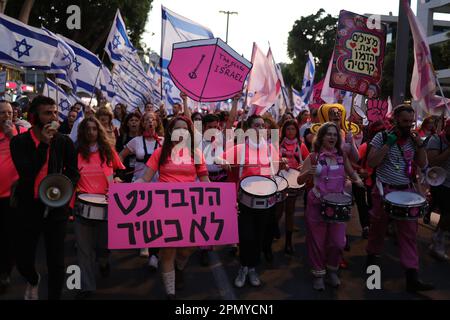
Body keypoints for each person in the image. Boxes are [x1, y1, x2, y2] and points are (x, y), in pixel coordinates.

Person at [10, 95, 79, 300]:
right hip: (28, 207)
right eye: (47, 113)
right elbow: (27, 172)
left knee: (56, 261)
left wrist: (66, 190)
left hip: (56, 208)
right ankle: (33, 279)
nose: (54, 117)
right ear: (34, 117)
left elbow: (74, 172)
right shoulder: (19, 142)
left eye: (55, 112)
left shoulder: (64, 141)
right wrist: (44, 145)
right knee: (23, 259)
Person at [136, 116, 210, 300]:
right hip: (164, 208)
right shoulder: (160, 153)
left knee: (187, 248)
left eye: (185, 128)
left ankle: (180, 266)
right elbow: (145, 179)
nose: (181, 131)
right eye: (178, 128)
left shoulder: (196, 154)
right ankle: (170, 293)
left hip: (189, 208)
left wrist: (222, 199)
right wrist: (125, 189)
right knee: (167, 250)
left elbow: (205, 181)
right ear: (170, 132)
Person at [366, 104, 434, 293]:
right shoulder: (382, 137)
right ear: (395, 120)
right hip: (384, 191)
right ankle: (372, 267)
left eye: (411, 123)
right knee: (377, 230)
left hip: (406, 192)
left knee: (409, 235)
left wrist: (420, 145)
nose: (408, 126)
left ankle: (412, 278)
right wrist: (389, 144)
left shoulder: (414, 140)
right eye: (404, 122)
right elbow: (371, 162)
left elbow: (422, 163)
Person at [298, 122, 363, 291]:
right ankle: (319, 274)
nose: (332, 137)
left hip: (338, 207)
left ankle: (332, 270)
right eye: (329, 134)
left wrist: (358, 180)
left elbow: (351, 172)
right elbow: (299, 180)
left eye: (335, 134)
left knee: (338, 242)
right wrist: (308, 172)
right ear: (321, 138)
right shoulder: (313, 157)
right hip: (317, 204)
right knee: (317, 243)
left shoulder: (342, 156)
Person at [218, 115, 282, 288]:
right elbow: (218, 158)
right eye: (256, 125)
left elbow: (276, 169)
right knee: (246, 236)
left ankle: (252, 267)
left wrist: (283, 167)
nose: (260, 128)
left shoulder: (271, 149)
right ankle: (244, 267)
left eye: (263, 126)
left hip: (267, 200)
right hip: (246, 201)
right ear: (248, 129)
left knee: (260, 237)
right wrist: (224, 162)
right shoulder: (240, 148)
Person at [73, 117, 125, 300]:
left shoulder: (108, 152)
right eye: (87, 129)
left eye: (94, 129)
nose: (91, 132)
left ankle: (103, 261)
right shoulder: (76, 152)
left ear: (99, 131)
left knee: (103, 246)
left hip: (107, 205)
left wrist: (118, 179)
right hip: (82, 205)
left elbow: (120, 171)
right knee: (83, 249)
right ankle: (86, 287)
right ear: (82, 132)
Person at [119, 111, 164, 265]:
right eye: (146, 120)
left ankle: (154, 254)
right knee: (143, 216)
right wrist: (119, 174)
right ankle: (144, 243)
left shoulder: (164, 142)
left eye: (153, 119)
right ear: (142, 124)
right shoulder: (136, 141)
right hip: (140, 182)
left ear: (157, 123)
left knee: (157, 218)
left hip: (159, 184)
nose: (150, 122)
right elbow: (120, 156)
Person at [0, 100, 27, 294]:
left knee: (8, 237)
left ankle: (5, 272)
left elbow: (28, 158)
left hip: (12, 196)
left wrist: (12, 136)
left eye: (9, 112)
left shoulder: (21, 134)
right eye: (2, 113)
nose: (7, 116)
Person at [276, 120, 310, 254]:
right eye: (288, 129)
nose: (290, 131)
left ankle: (288, 242)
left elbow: (308, 160)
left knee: (290, 211)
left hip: (294, 182)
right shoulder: (277, 144)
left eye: (293, 129)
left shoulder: (301, 145)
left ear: (296, 130)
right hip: (279, 181)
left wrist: (303, 167)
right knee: (278, 211)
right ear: (284, 130)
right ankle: (274, 228)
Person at [426, 118, 450, 261]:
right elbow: (433, 161)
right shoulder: (435, 140)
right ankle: (438, 240)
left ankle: (439, 236)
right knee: (448, 213)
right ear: (446, 127)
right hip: (440, 182)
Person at [115, 112, 142, 182]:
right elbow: (118, 156)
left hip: (140, 172)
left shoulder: (144, 139)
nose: (134, 122)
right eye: (131, 120)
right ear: (127, 124)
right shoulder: (121, 139)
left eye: (136, 120)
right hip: (124, 173)